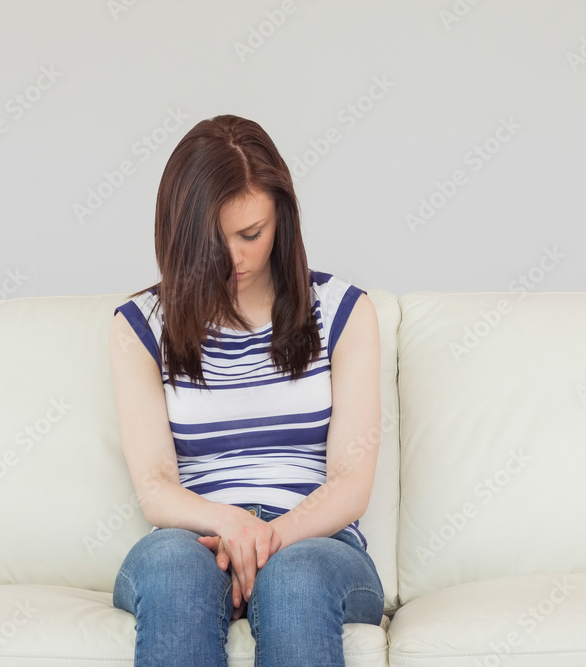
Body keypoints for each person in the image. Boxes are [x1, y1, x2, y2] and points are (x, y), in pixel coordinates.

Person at [108, 114, 384, 666]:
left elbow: (351, 482)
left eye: (251, 234)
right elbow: (156, 486)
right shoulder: (139, 326)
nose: (234, 258)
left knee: (295, 578)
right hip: (197, 541)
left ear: (281, 219)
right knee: (173, 571)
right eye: (214, 240)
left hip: (317, 544)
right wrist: (231, 523)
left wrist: (266, 539)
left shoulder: (344, 312)